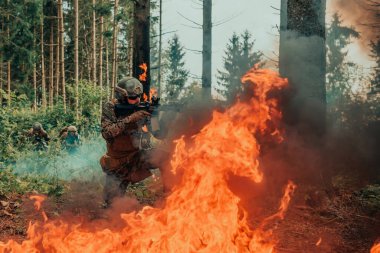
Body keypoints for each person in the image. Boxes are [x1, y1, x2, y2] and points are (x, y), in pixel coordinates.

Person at [100, 77, 166, 206]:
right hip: (118, 162)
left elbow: (158, 134)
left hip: (138, 156)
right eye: (132, 98)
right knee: (112, 206)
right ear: (121, 97)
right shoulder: (111, 107)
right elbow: (107, 133)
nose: (136, 101)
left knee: (166, 157)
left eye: (138, 97)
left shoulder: (141, 108)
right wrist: (130, 119)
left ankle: (171, 199)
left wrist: (154, 117)